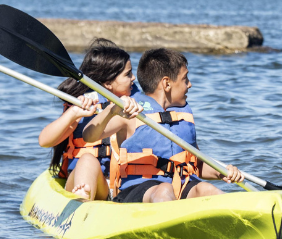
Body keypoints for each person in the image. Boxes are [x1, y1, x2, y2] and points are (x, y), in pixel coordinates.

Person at [83, 48, 244, 203]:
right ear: (166, 83)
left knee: (208, 189)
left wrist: (221, 172)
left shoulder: (183, 115)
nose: (190, 85)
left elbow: (197, 164)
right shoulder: (131, 112)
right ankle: (175, 225)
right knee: (164, 189)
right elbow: (89, 136)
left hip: (181, 186)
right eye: (185, 79)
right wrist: (112, 110)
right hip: (139, 190)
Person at [38, 38, 142, 201]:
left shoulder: (137, 103)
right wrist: (73, 113)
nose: (134, 78)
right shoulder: (83, 104)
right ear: (108, 84)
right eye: (128, 74)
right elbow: (44, 141)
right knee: (88, 160)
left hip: (120, 184)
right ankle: (82, 201)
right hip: (84, 179)